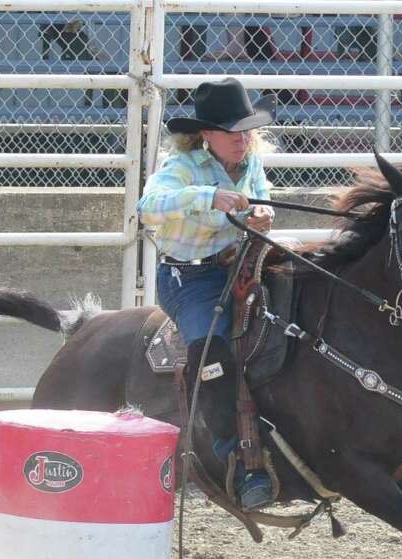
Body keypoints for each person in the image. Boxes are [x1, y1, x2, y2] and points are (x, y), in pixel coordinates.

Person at [136, 77, 276, 511]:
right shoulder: (181, 169)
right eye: (233, 132)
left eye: (247, 131)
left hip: (242, 264)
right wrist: (208, 198)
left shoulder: (251, 165)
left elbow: (261, 202)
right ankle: (236, 454)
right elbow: (147, 208)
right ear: (206, 135)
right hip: (187, 278)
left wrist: (261, 215)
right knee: (211, 356)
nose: (242, 140)